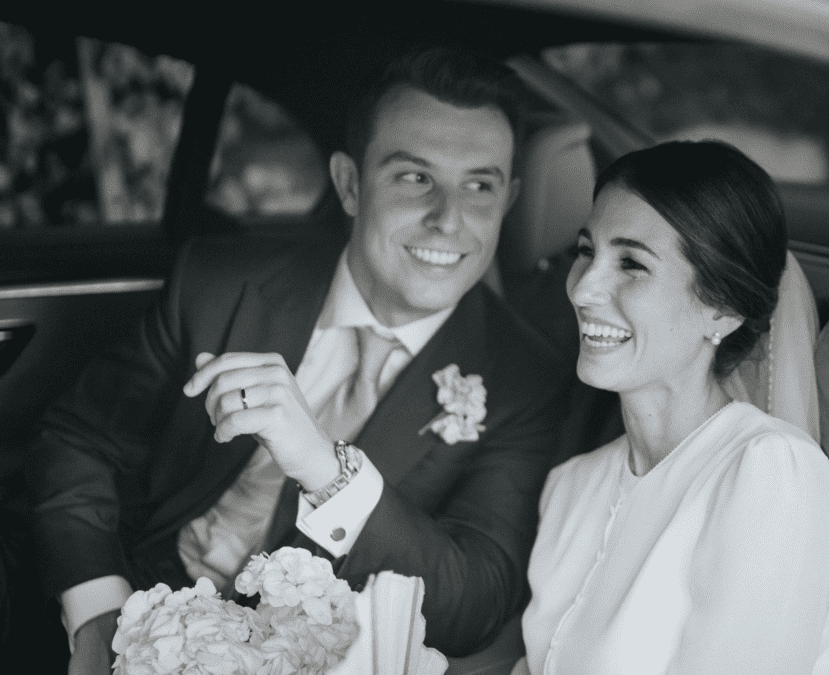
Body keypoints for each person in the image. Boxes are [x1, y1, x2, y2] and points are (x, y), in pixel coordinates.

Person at [27, 48, 570, 673]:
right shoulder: (220, 283)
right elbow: (80, 442)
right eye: (415, 178)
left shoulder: (524, 377)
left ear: (508, 199)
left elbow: (475, 601)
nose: (449, 219)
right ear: (349, 184)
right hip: (136, 593)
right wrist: (100, 614)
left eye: (479, 186)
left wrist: (327, 471)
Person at [514, 141, 829, 674]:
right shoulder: (569, 486)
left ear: (722, 310)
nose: (583, 288)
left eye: (632, 263)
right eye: (586, 251)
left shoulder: (771, 472)